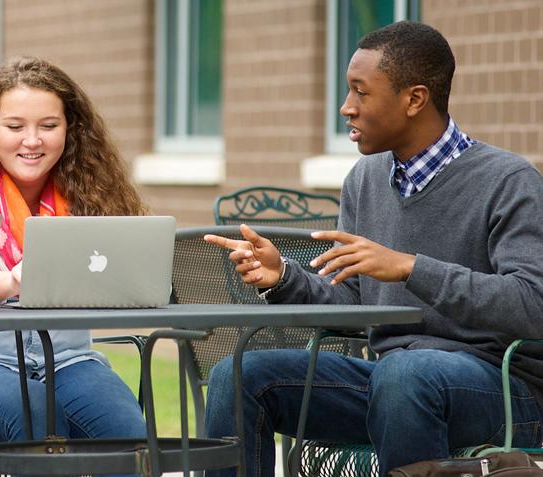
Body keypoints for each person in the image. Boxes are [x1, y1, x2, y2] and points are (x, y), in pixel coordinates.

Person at [203, 21, 543, 477]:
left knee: (405, 376)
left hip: (500, 389)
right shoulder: (363, 181)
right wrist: (283, 276)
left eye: (361, 92)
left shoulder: (507, 181)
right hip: (391, 380)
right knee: (239, 375)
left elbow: (532, 304)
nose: (347, 108)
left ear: (414, 99)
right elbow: (354, 303)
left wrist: (409, 268)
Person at [0, 56, 148, 445]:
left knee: (129, 434)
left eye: (48, 126)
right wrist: (14, 280)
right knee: (35, 415)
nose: (32, 141)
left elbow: (121, 276)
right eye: (15, 126)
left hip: (68, 360)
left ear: (71, 129)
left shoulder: (88, 193)